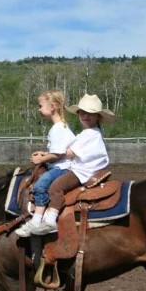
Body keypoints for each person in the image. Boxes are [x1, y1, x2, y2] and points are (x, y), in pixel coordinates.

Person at [29, 93, 115, 235]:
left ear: (97, 117)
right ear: (78, 114)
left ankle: (50, 220)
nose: (86, 116)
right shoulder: (88, 133)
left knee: (56, 187)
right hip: (83, 168)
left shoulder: (91, 134)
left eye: (91, 114)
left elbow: (69, 153)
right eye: (83, 113)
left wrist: (44, 158)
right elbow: (66, 150)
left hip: (83, 171)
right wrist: (47, 154)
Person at [15, 89, 75, 237]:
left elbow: (59, 154)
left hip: (62, 167)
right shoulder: (62, 127)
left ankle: (38, 221)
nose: (39, 109)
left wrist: (40, 159)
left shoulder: (57, 129)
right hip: (62, 164)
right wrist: (44, 154)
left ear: (52, 107)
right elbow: (59, 151)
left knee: (40, 186)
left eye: (41, 105)